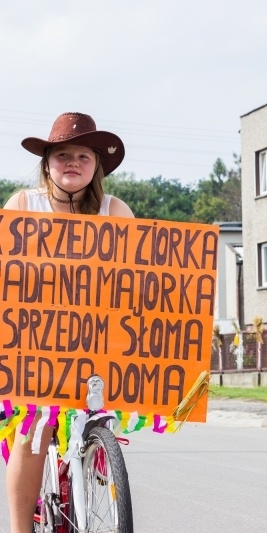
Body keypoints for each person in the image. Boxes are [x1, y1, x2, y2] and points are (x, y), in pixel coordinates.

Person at [3, 112, 134, 532]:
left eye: (82, 155)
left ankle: (89, 458)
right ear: (47, 163)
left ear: (96, 165)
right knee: (34, 433)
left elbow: (142, 280)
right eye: (62, 155)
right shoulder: (23, 205)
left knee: (96, 417)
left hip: (97, 340)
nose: (72, 162)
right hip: (34, 341)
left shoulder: (116, 211)